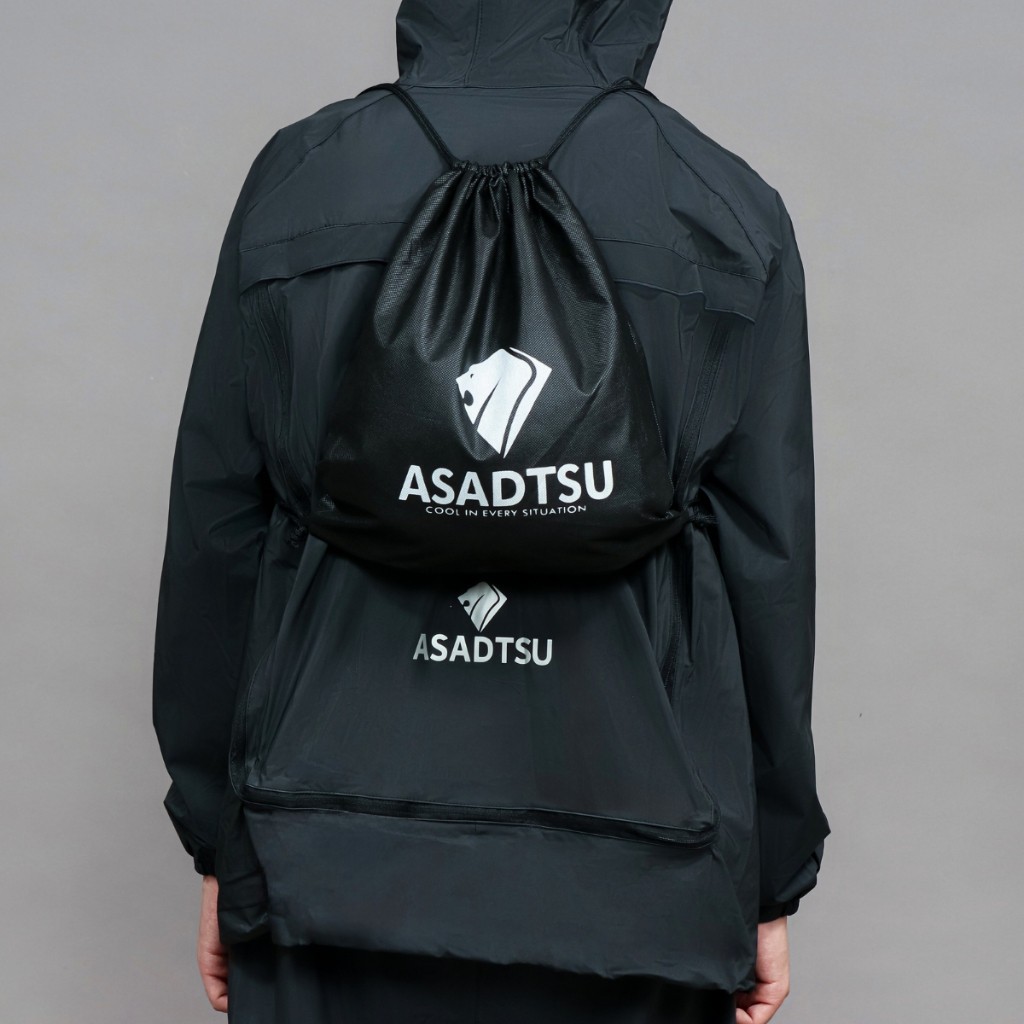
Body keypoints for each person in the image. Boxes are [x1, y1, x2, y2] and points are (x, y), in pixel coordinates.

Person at [153, 2, 830, 1021]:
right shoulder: (719, 201)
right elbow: (765, 562)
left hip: (320, 854)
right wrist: (765, 873)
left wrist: (223, 841)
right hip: (644, 867)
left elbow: (218, 528)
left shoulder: (302, 177)